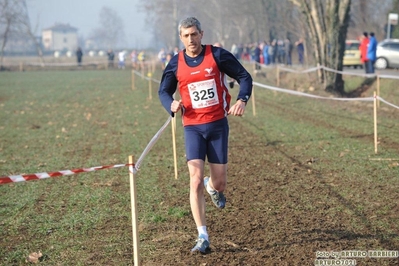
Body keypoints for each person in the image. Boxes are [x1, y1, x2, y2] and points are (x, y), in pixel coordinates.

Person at [158, 17, 252, 254]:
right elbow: (163, 91)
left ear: (201, 34)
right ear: (181, 37)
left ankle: (213, 187)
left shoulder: (217, 55)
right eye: (186, 35)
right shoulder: (175, 63)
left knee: (219, 183)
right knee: (195, 179)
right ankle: (202, 235)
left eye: (194, 34)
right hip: (193, 127)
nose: (191, 39)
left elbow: (244, 77)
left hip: (218, 125)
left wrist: (242, 100)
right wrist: (170, 104)